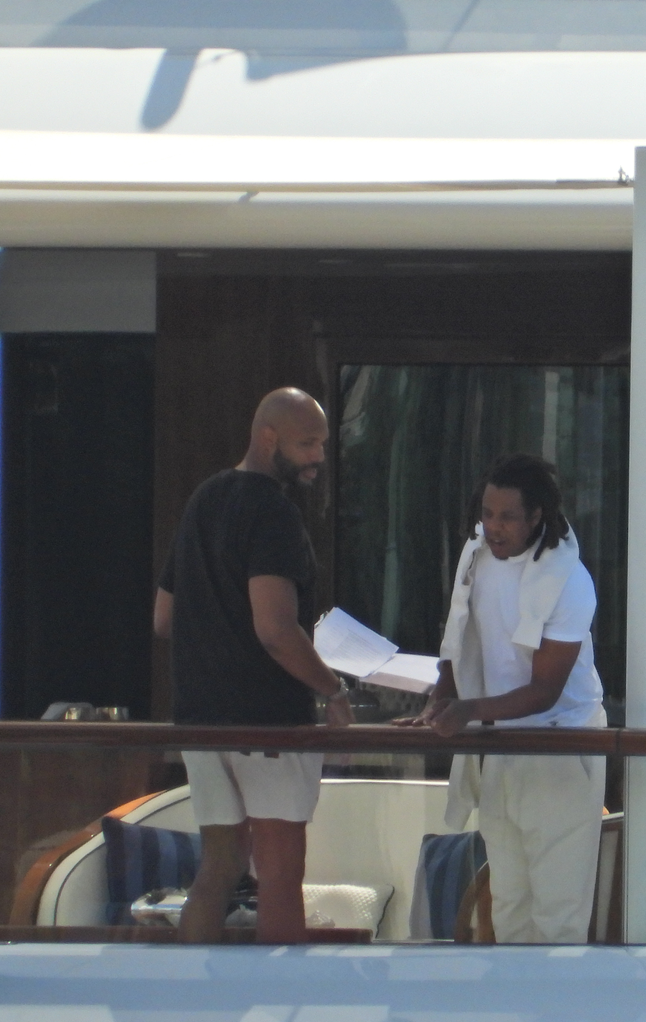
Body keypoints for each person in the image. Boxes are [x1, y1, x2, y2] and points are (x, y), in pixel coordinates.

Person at [153, 387, 353, 945]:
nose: (318, 456)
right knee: (281, 875)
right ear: (268, 438)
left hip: (199, 720)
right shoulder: (274, 512)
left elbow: (163, 618)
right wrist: (334, 691)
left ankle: (191, 987)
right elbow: (276, 630)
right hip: (267, 723)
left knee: (218, 867)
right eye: (307, 443)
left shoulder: (203, 499)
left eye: (322, 444)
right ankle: (278, 992)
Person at [398, 453, 607, 944]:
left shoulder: (571, 581)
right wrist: (439, 702)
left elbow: (545, 690)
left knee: (557, 917)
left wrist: (468, 712)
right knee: (509, 909)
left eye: (508, 516)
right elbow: (458, 641)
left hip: (562, 750)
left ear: (536, 516)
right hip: (499, 747)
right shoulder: (476, 556)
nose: (493, 526)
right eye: (487, 514)